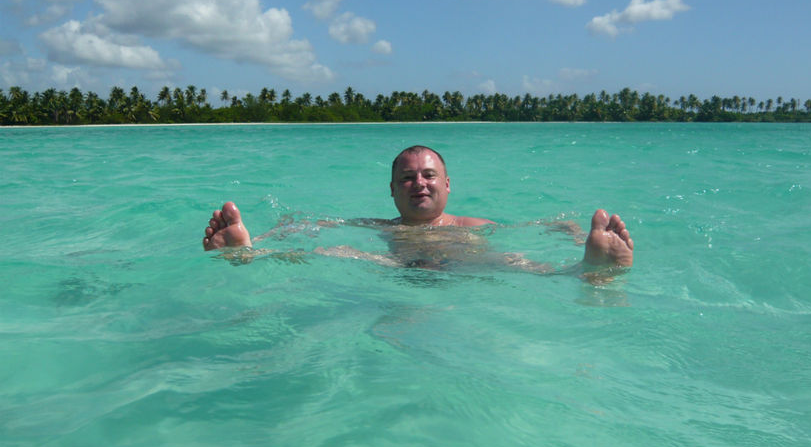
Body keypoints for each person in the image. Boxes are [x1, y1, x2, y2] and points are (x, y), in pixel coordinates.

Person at [203, 145, 633, 273]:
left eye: (429, 175)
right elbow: (313, 224)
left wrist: (572, 231)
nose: (419, 183)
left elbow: (544, 225)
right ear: (392, 191)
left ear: (447, 185)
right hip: (394, 266)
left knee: (510, 262)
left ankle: (588, 269)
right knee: (333, 252)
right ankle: (246, 254)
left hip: (462, 266)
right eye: (407, 178)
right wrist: (280, 229)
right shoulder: (380, 227)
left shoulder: (474, 224)